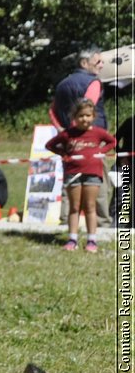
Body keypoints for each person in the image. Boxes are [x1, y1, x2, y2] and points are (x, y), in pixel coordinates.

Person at [45, 98, 116, 253]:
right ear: (74, 118)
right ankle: (72, 239)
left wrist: (101, 152)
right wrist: (63, 153)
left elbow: (112, 142)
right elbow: (50, 145)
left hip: (93, 173)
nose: (84, 119)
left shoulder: (98, 133)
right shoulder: (68, 134)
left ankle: (92, 240)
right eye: (81, 116)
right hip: (73, 173)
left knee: (90, 206)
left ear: (93, 116)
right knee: (74, 207)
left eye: (88, 115)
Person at [51, 47, 106, 131]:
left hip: (66, 135)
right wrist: (76, 128)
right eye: (98, 62)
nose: (101, 65)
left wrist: (60, 129)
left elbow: (52, 111)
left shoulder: (61, 84)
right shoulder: (94, 83)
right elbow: (87, 108)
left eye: (102, 62)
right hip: (92, 134)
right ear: (84, 63)